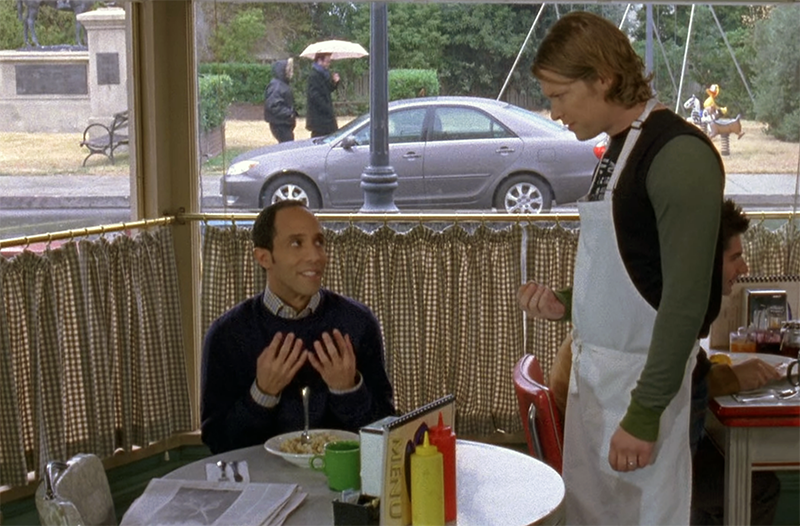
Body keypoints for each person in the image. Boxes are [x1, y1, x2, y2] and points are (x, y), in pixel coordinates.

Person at [519, 11, 725, 524]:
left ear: (604, 78)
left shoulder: (678, 155)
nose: (554, 111)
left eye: (560, 95)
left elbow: (684, 302)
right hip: (599, 386)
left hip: (643, 389)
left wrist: (645, 413)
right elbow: (639, 268)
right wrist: (568, 303)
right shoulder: (619, 147)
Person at [539, 200, 782, 526]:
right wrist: (735, 378)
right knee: (759, 488)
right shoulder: (660, 316)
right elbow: (679, 379)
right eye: (735, 258)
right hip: (618, 464)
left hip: (599, 450)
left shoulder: (646, 294)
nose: (744, 269)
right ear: (705, 262)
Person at [200, 200, 395, 454]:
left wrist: (348, 391)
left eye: (319, 242)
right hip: (263, 477)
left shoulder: (357, 323)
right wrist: (262, 395)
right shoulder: (227, 334)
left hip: (341, 476)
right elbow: (219, 442)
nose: (316, 256)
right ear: (264, 257)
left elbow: (386, 433)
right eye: (296, 243)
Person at [306, 52, 340, 138]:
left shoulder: (324, 74)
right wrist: (326, 108)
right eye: (327, 61)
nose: (329, 64)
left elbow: (328, 90)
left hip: (325, 115)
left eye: (329, 61)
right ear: (319, 61)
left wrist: (335, 82)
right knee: (320, 138)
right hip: (318, 116)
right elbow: (314, 95)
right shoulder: (314, 75)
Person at [264, 58, 297, 143]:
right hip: (280, 124)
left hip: (283, 123)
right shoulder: (277, 86)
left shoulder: (281, 84)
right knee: (287, 145)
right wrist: (289, 113)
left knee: (287, 144)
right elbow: (273, 105)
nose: (291, 73)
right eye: (289, 70)